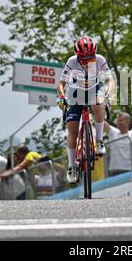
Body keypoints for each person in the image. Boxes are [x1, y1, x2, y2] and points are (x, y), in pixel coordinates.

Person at [56, 37, 115, 184]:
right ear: (77, 56)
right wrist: (62, 96)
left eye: (90, 58)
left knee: (98, 103)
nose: (87, 61)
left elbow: (110, 81)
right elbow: (61, 83)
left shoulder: (100, 59)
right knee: (73, 131)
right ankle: (71, 166)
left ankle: (99, 140)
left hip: (93, 90)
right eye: (83, 59)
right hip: (74, 93)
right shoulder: (71, 61)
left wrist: (107, 93)